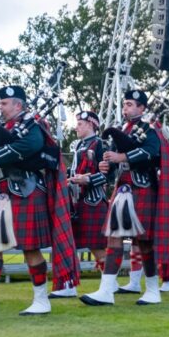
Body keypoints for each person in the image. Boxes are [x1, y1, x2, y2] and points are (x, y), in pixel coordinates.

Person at [0, 86, 77, 316]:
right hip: (5, 192)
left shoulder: (34, 125)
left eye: (5, 103)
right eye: (0, 103)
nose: (0, 106)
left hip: (26, 191)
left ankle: (41, 301)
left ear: (18, 105)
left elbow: (32, 147)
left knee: (30, 249)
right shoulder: (7, 128)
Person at [80, 90, 169, 307]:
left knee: (144, 243)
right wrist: (108, 165)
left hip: (142, 188)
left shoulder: (150, 130)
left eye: (131, 104)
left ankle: (153, 290)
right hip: (123, 188)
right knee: (114, 238)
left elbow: (152, 152)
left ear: (142, 108)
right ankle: (106, 291)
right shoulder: (122, 130)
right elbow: (115, 162)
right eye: (125, 104)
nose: (126, 108)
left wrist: (122, 156)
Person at [50, 110, 108, 299]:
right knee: (69, 244)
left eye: (80, 123)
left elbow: (108, 175)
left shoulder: (100, 145)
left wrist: (87, 180)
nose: (77, 127)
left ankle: (109, 284)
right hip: (76, 201)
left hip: (93, 201)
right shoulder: (79, 146)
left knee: (97, 246)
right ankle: (68, 284)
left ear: (91, 124)